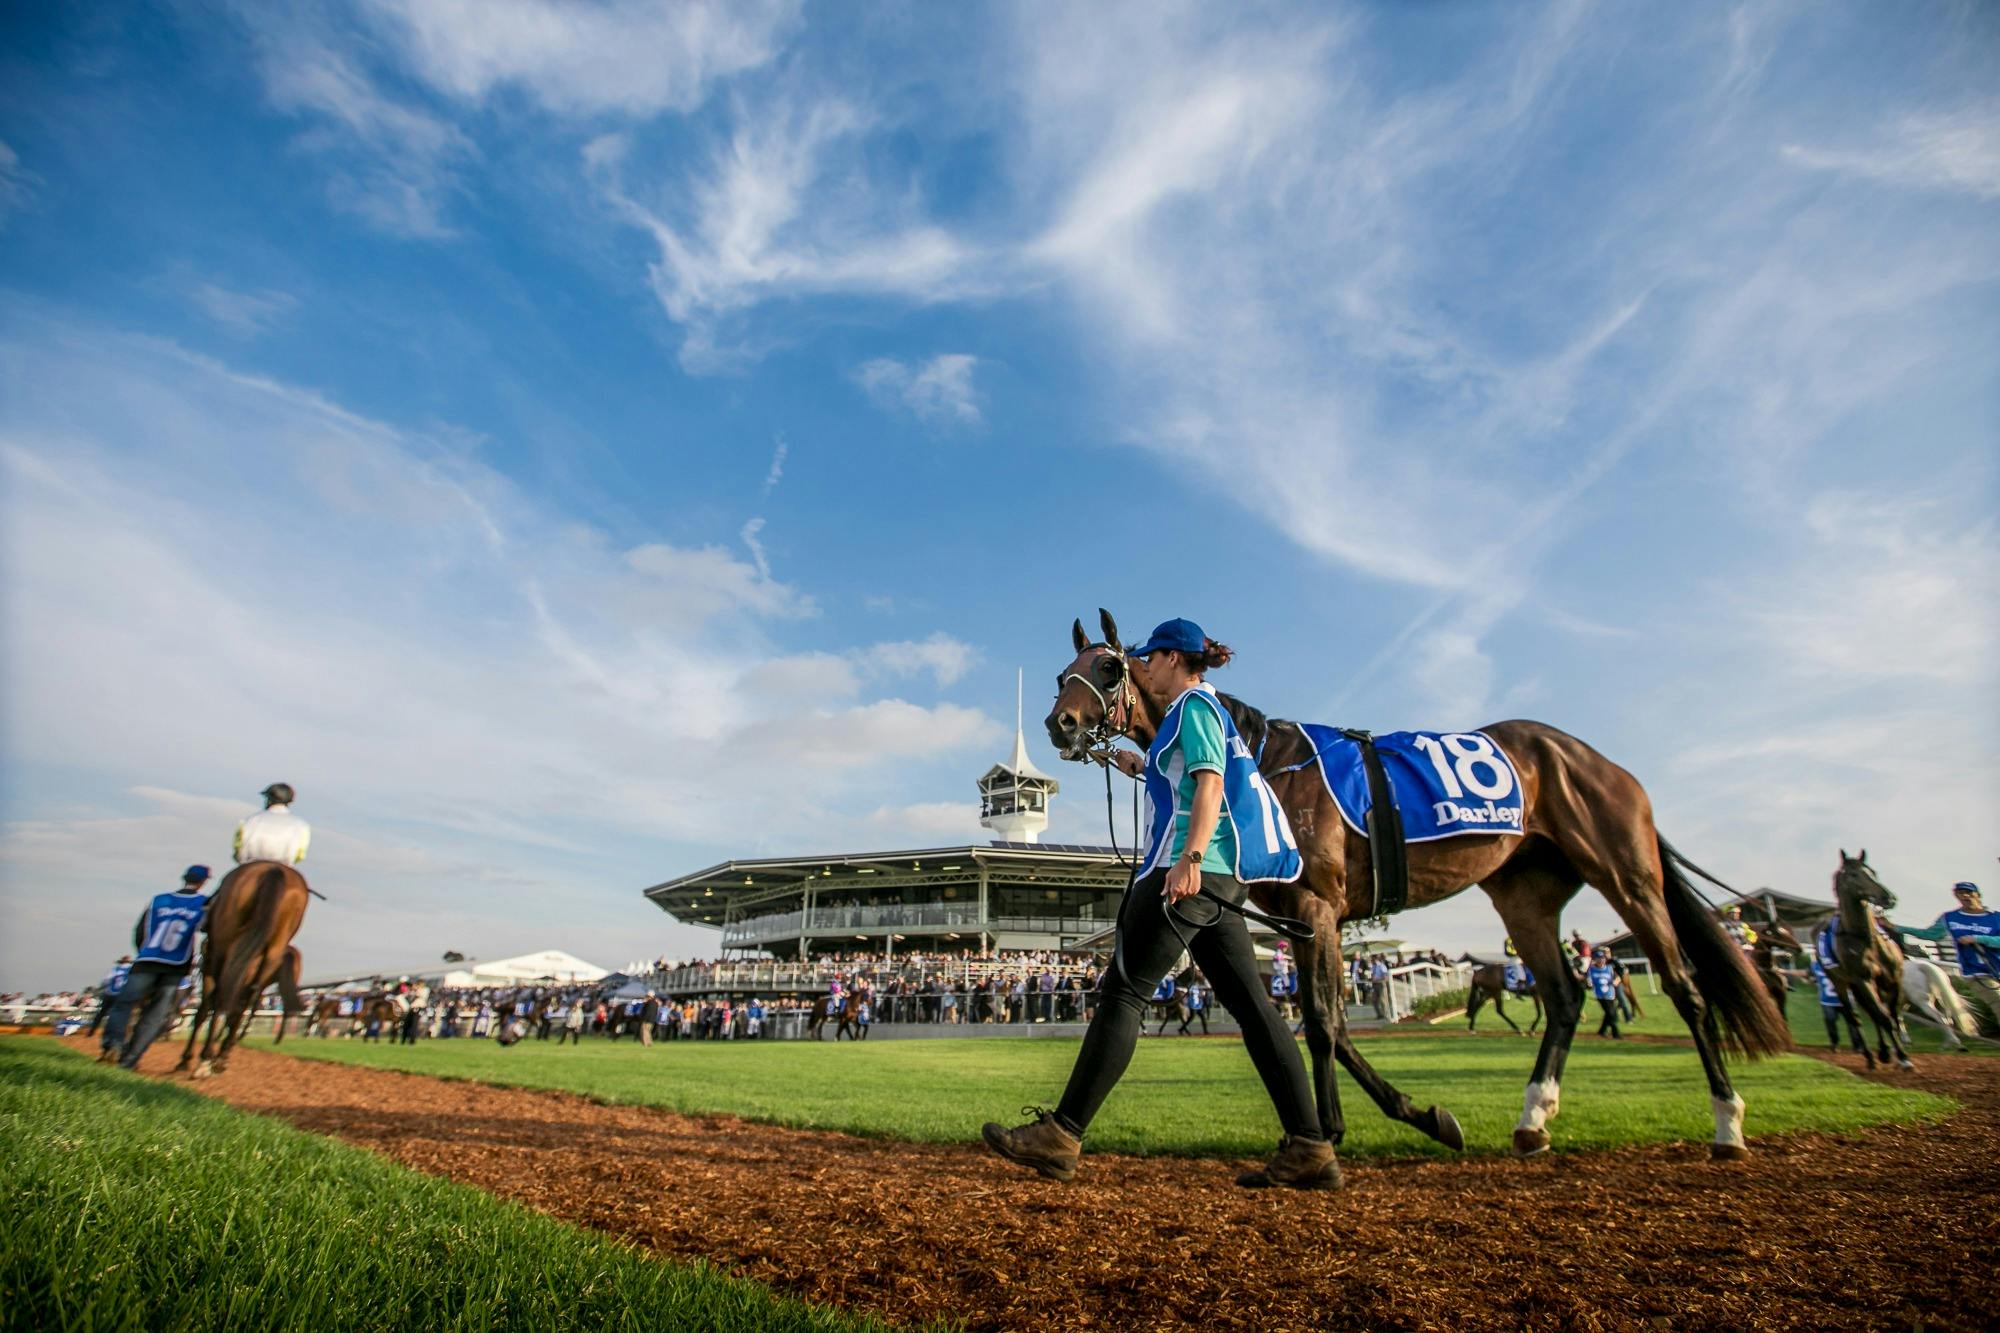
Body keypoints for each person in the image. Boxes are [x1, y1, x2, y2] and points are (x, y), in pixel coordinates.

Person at [983, 618, 1335, 1189]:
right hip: (1222, 882)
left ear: (1174, 659)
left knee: (1124, 992)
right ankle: (1311, 1147)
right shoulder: (1196, 714)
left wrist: (1189, 860)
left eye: (1148, 657)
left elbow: (1210, 783)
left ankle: (1062, 1135)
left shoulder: (1193, 708)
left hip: (1191, 873)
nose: (1141, 666)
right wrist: (1136, 765)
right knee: (1254, 1009)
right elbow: (1186, 778)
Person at [107, 866, 211, 1069]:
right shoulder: (203, 904)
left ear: (184, 878)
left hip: (147, 960)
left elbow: (139, 932)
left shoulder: (158, 900)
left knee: (124, 1005)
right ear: (203, 882)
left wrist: (142, 951)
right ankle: (130, 1058)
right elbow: (207, 929)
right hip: (176, 965)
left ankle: (113, 1045)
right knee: (155, 1014)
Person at [1900, 881, 2000, 1029]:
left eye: (1968, 892)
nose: (1965, 895)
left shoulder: (1996, 917)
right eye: (1960, 893)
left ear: (1978, 895)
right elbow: (1931, 934)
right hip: (1976, 972)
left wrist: (1977, 938)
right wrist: (1896, 927)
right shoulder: (1950, 918)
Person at [234, 783, 311, 866]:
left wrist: (239, 858)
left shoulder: (250, 820)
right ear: (290, 801)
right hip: (285, 865)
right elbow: (300, 855)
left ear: (269, 799)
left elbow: (238, 846)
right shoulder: (301, 825)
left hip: (250, 863)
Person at [89, 955, 134, 1049]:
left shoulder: (115, 969)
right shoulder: (131, 970)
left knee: (101, 1013)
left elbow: (106, 981)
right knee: (118, 1014)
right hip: (121, 995)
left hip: (109, 994)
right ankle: (118, 1035)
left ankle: (92, 1031)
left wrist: (101, 988)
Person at [1587, 948, 1621, 1038]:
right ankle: (1616, 1033)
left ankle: (1602, 1031)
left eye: (1602, 958)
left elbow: (1618, 977)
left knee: (1609, 1013)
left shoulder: (1609, 968)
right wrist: (1589, 983)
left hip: (1610, 994)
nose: (1601, 960)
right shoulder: (1591, 969)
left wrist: (1615, 982)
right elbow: (1589, 980)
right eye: (1598, 958)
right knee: (1610, 1013)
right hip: (1600, 994)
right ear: (1595, 959)